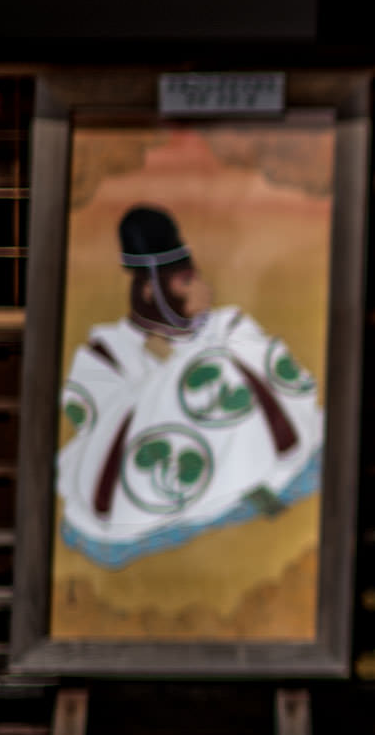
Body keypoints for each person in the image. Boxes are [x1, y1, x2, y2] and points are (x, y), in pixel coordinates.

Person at [54, 205, 324, 569]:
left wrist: (195, 359)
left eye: (196, 278)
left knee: (220, 363)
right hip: (163, 483)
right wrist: (174, 373)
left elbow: (281, 380)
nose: (204, 291)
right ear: (151, 292)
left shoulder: (226, 326)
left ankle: (254, 486)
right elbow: (99, 429)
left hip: (244, 462)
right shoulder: (105, 353)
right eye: (186, 282)